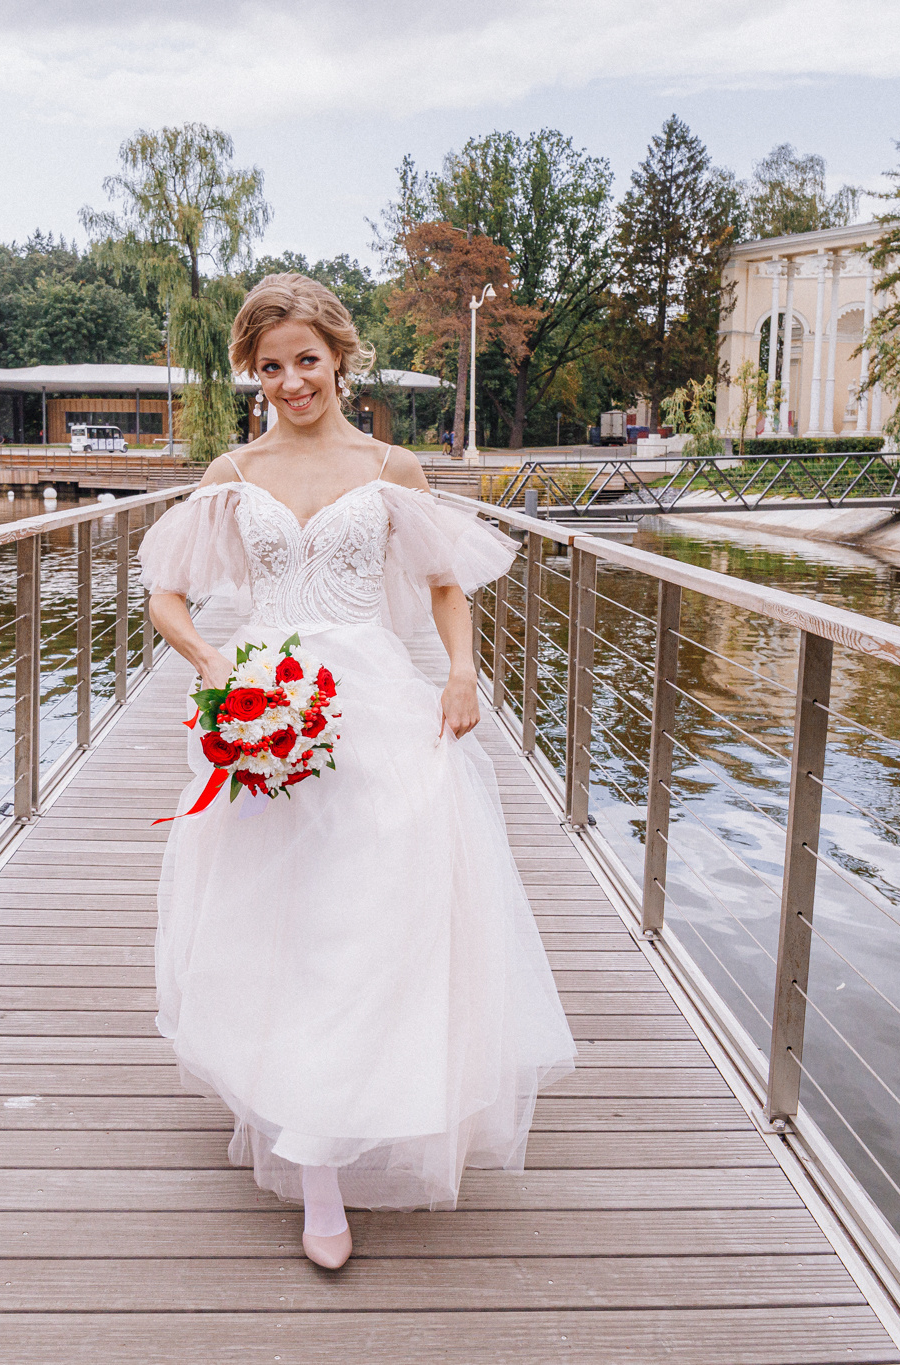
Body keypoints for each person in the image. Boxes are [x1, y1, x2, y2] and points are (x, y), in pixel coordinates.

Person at [137, 274, 577, 1272]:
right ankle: (315, 1169)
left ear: (338, 358)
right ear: (252, 373)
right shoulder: (232, 469)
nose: (292, 381)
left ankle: (342, 1109)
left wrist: (461, 673)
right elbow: (165, 596)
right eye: (270, 366)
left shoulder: (391, 467)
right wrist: (216, 668)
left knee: (366, 915)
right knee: (273, 916)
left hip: (374, 700)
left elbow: (441, 586)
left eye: (306, 360)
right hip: (262, 702)